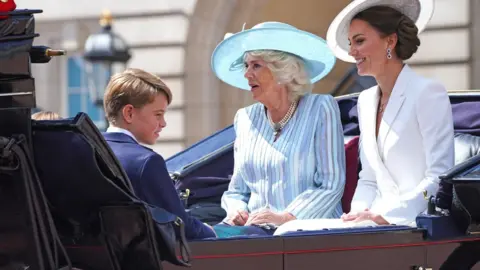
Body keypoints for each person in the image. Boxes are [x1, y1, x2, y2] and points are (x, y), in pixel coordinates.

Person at [326, 0, 454, 226]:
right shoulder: (365, 101)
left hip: (414, 225)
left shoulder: (427, 92)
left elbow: (439, 176)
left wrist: (388, 217)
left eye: (360, 41)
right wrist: (356, 217)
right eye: (350, 43)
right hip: (372, 225)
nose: (352, 51)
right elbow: (368, 179)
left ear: (390, 41)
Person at [211, 21, 346, 232]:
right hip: (255, 232)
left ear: (283, 71)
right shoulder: (245, 118)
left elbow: (331, 183)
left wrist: (287, 217)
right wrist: (236, 210)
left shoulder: (320, 108)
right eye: (246, 66)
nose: (247, 74)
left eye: (256, 65)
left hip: (311, 232)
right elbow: (236, 191)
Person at [102, 68, 216, 240]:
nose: (163, 123)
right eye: (158, 114)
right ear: (129, 113)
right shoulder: (146, 161)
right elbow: (180, 226)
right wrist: (213, 231)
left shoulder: (84, 150)